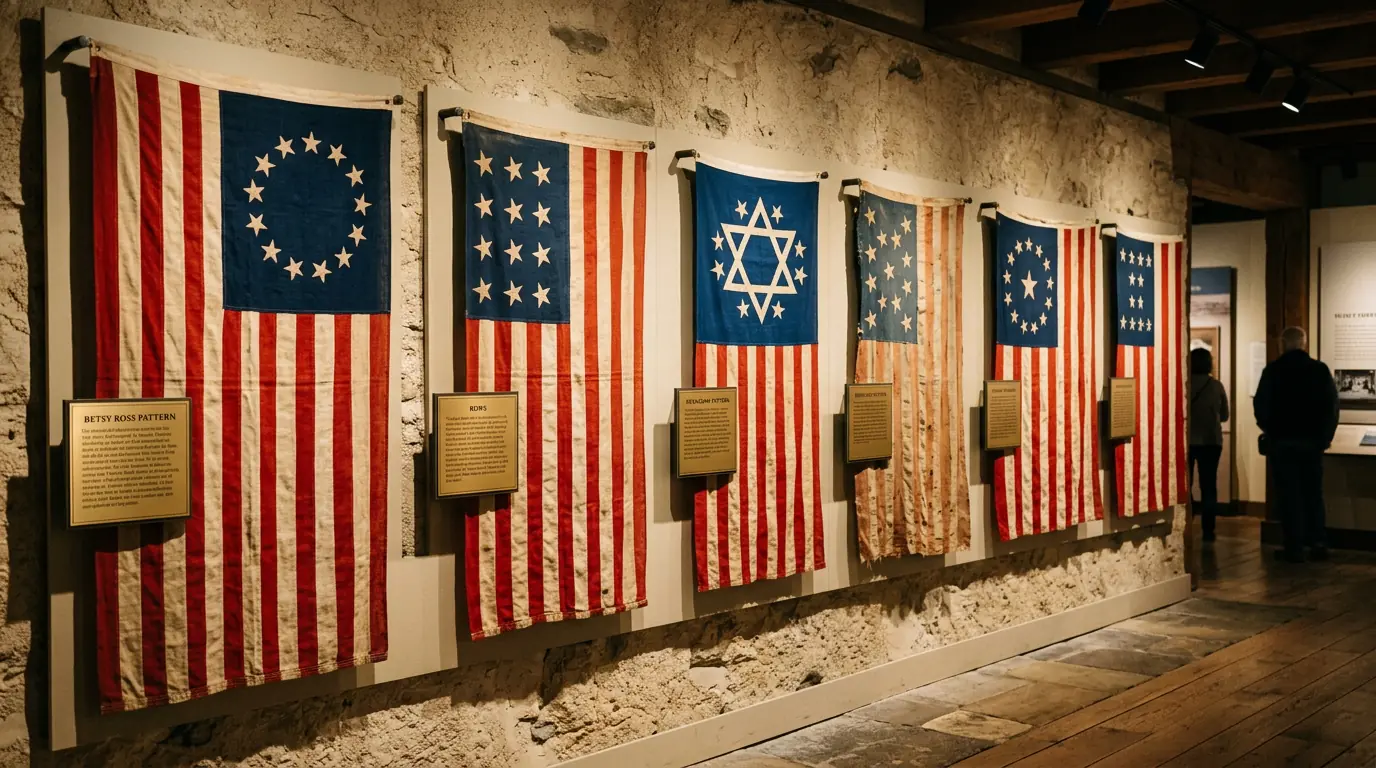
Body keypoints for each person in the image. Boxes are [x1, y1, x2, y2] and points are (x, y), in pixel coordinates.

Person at [1254, 327, 1339, 563]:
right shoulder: (1319, 371)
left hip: (1282, 443)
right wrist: (1324, 437)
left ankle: (1294, 545)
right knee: (1313, 493)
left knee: (1288, 495)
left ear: (1283, 344)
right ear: (1304, 343)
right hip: (1312, 443)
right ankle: (1318, 542)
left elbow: (1261, 407)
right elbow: (1331, 407)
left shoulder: (1273, 371)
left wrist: (1271, 430)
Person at [1188, 347, 1229, 543]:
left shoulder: (1185, 384)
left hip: (1188, 442)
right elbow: (1225, 415)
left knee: (1184, 484)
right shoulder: (1216, 386)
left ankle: (1185, 522)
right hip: (1211, 441)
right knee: (1209, 486)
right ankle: (1208, 530)